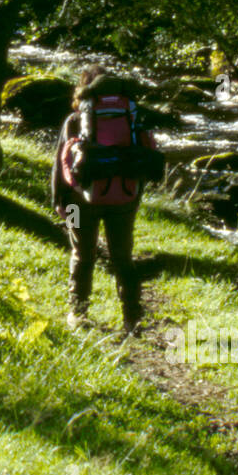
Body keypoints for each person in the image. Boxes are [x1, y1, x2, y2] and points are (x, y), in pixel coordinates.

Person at [50, 66, 161, 335]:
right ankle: (132, 318)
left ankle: (78, 312)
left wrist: (59, 201)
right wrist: (133, 194)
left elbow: (59, 164)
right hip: (124, 198)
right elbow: (144, 157)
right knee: (123, 258)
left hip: (79, 199)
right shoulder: (133, 117)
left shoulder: (75, 120)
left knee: (81, 253)